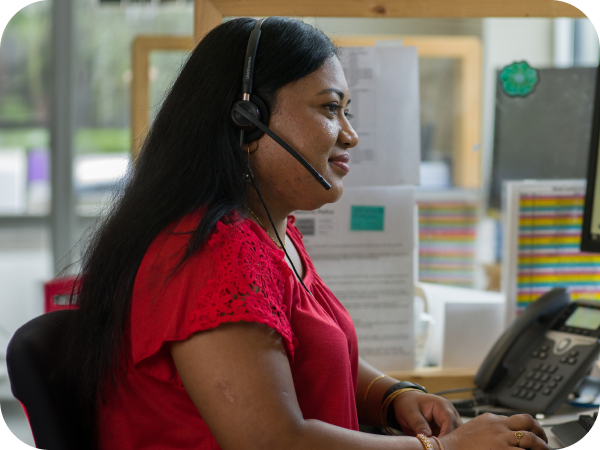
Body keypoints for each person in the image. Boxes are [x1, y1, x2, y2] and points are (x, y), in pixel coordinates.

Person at [62, 17, 552, 450]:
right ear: (247, 121)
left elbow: (311, 355)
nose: (349, 134)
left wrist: (392, 396)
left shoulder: (268, 233)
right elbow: (272, 442)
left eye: (347, 111)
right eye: (329, 108)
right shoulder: (215, 252)